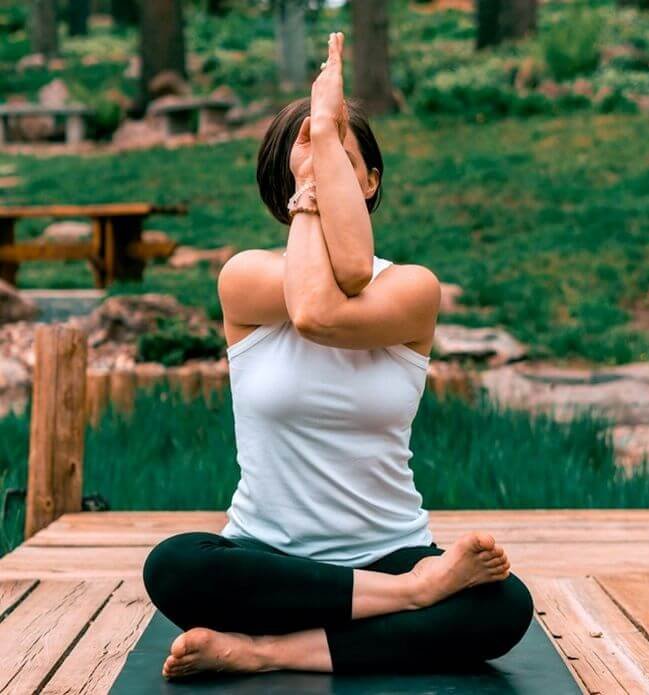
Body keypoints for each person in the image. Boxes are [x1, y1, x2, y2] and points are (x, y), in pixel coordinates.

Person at [142, 31, 533, 680]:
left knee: (504, 607)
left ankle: (264, 651)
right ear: (284, 184)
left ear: (372, 179)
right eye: (307, 163)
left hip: (390, 550)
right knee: (173, 566)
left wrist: (323, 135)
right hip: (269, 559)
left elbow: (345, 284)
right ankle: (407, 600)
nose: (321, 172)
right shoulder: (245, 278)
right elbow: (313, 308)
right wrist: (321, 156)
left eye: (339, 161)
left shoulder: (412, 288)